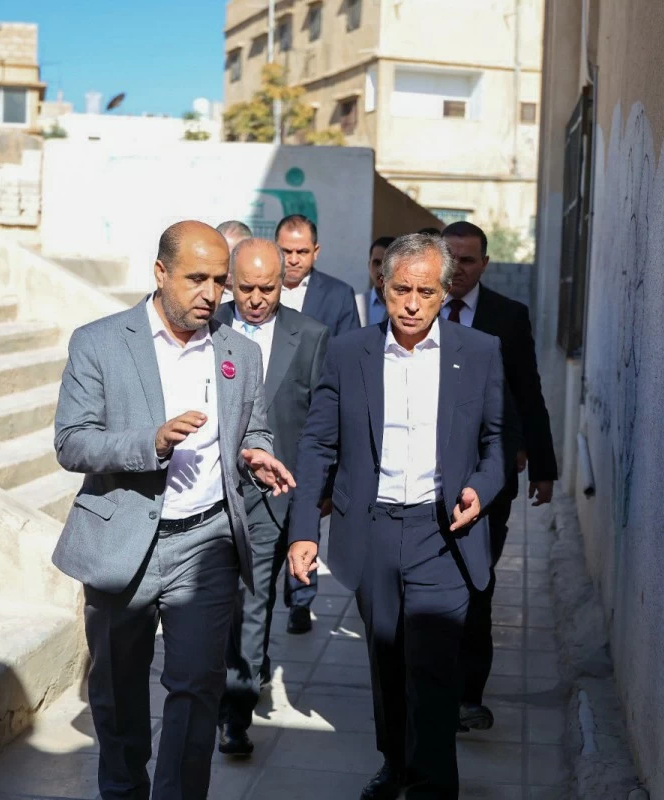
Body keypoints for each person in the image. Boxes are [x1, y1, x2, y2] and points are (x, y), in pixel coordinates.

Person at [52, 220, 296, 800]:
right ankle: (123, 790)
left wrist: (254, 452)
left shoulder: (240, 352)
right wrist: (152, 443)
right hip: (123, 540)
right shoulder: (99, 342)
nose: (211, 294)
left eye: (219, 281)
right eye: (196, 279)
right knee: (117, 689)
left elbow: (252, 427)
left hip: (208, 543)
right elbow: (72, 442)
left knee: (197, 688)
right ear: (160, 273)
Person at [287, 233, 511, 800]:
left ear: (446, 291)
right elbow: (317, 445)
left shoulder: (479, 351)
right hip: (374, 530)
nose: (411, 304)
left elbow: (497, 442)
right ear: (382, 286)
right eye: (400, 290)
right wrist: (305, 531)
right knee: (387, 657)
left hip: (444, 532)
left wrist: (480, 490)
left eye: (425, 292)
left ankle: (432, 784)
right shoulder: (349, 353)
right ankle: (395, 764)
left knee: (433, 668)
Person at [212, 238, 330, 757]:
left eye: (267, 288)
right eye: (246, 288)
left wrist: (320, 489)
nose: (256, 299)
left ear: (283, 283)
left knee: (253, 601)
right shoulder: (208, 326)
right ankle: (231, 680)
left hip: (272, 495)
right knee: (219, 604)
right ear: (229, 283)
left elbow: (320, 424)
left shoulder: (311, 336)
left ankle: (234, 716)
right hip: (211, 490)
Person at [440, 220, 558, 732]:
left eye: (468, 261)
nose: (458, 270)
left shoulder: (508, 317)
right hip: (428, 473)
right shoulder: (419, 311)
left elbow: (528, 391)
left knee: (478, 581)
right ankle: (431, 686)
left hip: (491, 473)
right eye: (451, 259)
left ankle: (469, 696)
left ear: (485, 264)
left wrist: (542, 465)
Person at [274, 213, 361, 634]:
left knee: (305, 510)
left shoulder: (338, 296)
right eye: (286, 251)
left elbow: (350, 362)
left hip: (314, 423)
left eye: (301, 251)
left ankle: (300, 598)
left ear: (316, 251)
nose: (293, 259)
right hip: (269, 420)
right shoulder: (259, 289)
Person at [355, 236, 396, 326]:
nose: (381, 270)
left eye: (387, 264)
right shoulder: (356, 304)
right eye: (376, 263)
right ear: (369, 265)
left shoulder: (409, 305)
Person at [216, 220, 252, 301]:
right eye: (222, 255)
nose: (229, 263)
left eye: (235, 256)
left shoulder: (261, 291)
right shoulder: (207, 293)